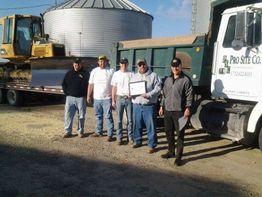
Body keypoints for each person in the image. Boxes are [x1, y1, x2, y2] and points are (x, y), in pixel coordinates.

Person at [159, 57, 193, 166]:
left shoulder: (186, 80)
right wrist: (161, 106)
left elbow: (189, 95)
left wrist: (188, 108)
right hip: (168, 110)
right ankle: (170, 151)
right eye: (173, 66)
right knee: (168, 132)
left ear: (181, 66)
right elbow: (164, 95)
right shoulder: (168, 80)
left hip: (180, 112)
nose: (175, 68)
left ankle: (178, 157)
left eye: (177, 65)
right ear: (171, 67)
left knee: (180, 135)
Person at [131, 58, 161, 153]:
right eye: (140, 65)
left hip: (149, 105)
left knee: (151, 126)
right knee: (137, 124)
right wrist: (130, 93)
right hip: (136, 105)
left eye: (143, 64)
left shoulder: (153, 75)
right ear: (137, 66)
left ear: (146, 64)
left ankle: (152, 145)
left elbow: (158, 88)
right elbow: (131, 88)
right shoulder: (134, 76)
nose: (142, 66)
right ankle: (137, 141)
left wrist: (149, 94)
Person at [87, 55, 115, 141]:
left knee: (108, 116)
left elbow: (115, 85)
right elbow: (90, 84)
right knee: (98, 115)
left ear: (106, 62)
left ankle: (110, 135)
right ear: (98, 62)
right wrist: (88, 95)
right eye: (100, 61)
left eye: (104, 61)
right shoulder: (94, 71)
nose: (102, 63)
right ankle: (98, 132)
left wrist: (114, 98)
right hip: (97, 98)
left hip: (107, 98)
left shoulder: (111, 71)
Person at [62, 57, 89, 138]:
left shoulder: (86, 73)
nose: (77, 65)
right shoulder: (69, 73)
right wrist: (67, 93)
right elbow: (64, 84)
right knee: (68, 115)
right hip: (70, 98)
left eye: (78, 64)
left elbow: (89, 85)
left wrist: (86, 95)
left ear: (81, 64)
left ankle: (80, 131)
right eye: (75, 64)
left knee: (81, 116)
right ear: (73, 64)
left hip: (81, 98)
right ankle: (67, 132)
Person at [111, 58, 133, 145]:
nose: (123, 65)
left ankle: (130, 137)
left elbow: (134, 86)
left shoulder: (132, 73)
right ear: (120, 64)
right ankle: (119, 137)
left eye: (125, 63)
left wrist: (132, 94)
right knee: (119, 120)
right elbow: (114, 88)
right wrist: (113, 100)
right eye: (122, 63)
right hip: (119, 99)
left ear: (128, 64)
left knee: (130, 120)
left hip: (129, 99)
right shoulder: (116, 74)